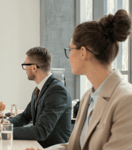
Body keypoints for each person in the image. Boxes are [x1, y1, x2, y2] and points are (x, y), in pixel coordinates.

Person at [26, 9, 132, 150]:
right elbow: (74, 147)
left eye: (70, 49)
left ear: (83, 52)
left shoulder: (126, 101)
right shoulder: (88, 97)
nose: (69, 57)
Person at [0, 47, 72, 148]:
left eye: (25, 65)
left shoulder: (57, 92)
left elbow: (41, 131)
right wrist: (7, 122)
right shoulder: (38, 89)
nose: (24, 69)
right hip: (37, 145)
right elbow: (25, 116)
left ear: (34, 68)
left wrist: (1, 132)